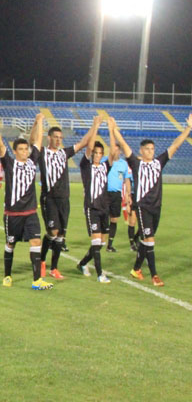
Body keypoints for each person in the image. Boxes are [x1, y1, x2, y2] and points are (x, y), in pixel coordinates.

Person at [111, 113, 192, 287]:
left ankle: (136, 269)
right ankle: (155, 275)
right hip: (143, 207)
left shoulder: (158, 162)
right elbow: (124, 145)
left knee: (145, 240)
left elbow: (175, 145)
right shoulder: (136, 163)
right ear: (141, 150)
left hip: (157, 207)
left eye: (152, 149)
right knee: (150, 240)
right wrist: (114, 129)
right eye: (147, 149)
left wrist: (188, 128)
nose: (150, 152)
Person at [0, 114, 53, 290]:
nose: (25, 152)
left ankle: (36, 281)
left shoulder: (32, 161)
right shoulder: (9, 164)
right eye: (21, 149)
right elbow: (0, 145)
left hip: (30, 212)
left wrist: (39, 122)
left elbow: (38, 140)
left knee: (36, 242)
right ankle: (7, 275)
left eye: (26, 149)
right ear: (15, 151)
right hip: (12, 214)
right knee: (10, 244)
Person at [38, 120, 98, 280]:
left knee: (61, 234)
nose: (58, 140)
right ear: (49, 138)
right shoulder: (43, 153)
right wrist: (38, 123)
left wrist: (95, 125)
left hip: (64, 199)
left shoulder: (64, 153)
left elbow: (84, 143)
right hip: (49, 198)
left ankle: (54, 268)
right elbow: (32, 142)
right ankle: (42, 261)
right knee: (53, 232)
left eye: (60, 137)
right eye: (55, 137)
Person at [75, 117, 116, 282]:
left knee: (99, 244)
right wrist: (96, 126)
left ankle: (83, 264)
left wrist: (111, 129)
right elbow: (89, 145)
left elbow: (113, 151)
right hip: (91, 208)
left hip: (104, 208)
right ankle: (100, 274)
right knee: (96, 242)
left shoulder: (106, 166)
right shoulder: (86, 166)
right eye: (95, 153)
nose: (97, 155)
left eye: (100, 153)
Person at [105, 141, 132, 252]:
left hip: (116, 194)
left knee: (114, 219)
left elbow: (127, 180)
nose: (115, 152)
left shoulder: (123, 164)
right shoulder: (105, 161)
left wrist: (128, 194)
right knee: (103, 218)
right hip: (104, 193)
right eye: (113, 149)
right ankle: (99, 240)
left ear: (120, 151)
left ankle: (110, 244)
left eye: (117, 149)